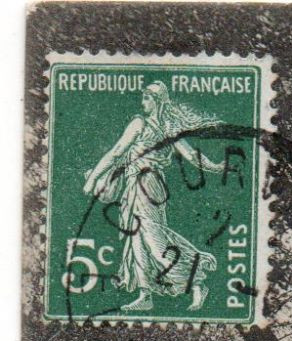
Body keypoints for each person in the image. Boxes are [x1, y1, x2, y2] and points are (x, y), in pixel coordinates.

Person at [82, 83, 224, 312]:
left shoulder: (143, 124)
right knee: (137, 239)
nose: (142, 103)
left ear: (156, 100)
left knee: (154, 241)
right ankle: (145, 294)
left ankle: (197, 281)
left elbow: (117, 151)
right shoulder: (166, 127)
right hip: (137, 184)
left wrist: (92, 180)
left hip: (146, 184)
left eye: (146, 98)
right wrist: (216, 167)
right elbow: (190, 155)